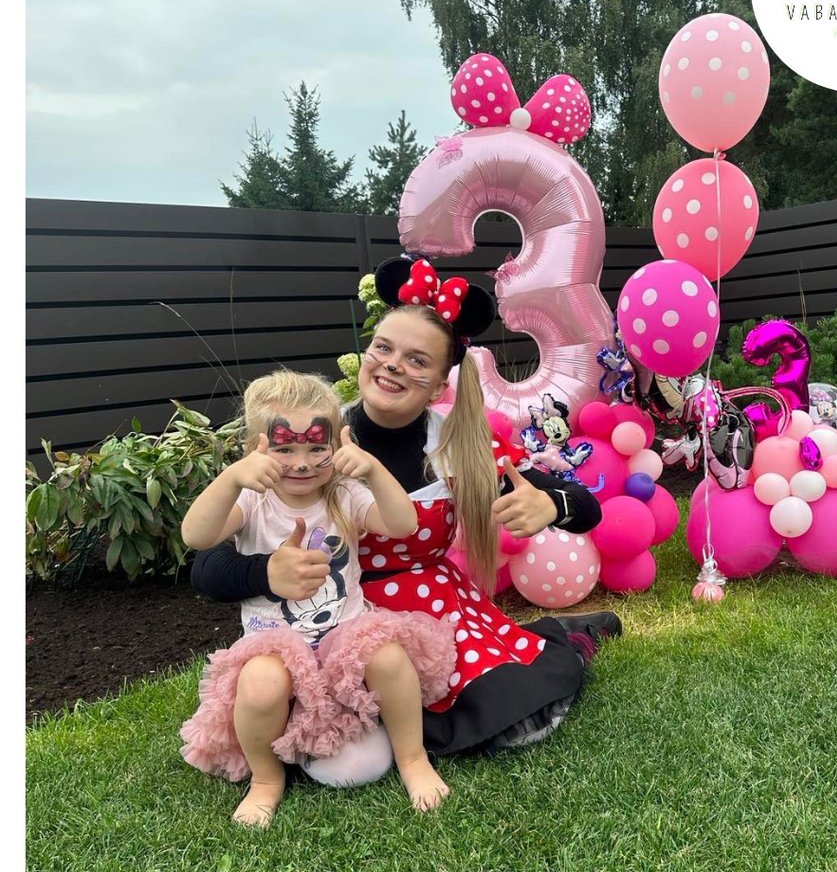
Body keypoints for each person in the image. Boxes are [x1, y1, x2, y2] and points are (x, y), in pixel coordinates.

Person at [191, 258, 621, 783]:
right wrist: (264, 572)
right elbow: (206, 566)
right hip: (333, 624)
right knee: (338, 758)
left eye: (417, 359)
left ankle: (564, 638)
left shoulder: (457, 442)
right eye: (384, 348)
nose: (393, 365)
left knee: (507, 711)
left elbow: (586, 507)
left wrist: (552, 506)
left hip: (432, 614)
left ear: (440, 383)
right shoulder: (311, 442)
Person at [179, 369, 458, 827]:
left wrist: (372, 469)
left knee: (389, 657)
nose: (302, 463)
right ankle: (266, 779)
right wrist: (232, 479)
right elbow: (196, 535)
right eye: (285, 449)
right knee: (261, 683)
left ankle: (413, 758)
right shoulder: (252, 500)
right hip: (274, 644)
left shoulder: (343, 493)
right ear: (256, 449)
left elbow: (403, 524)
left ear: (337, 443)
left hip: (345, 641)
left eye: (316, 448)